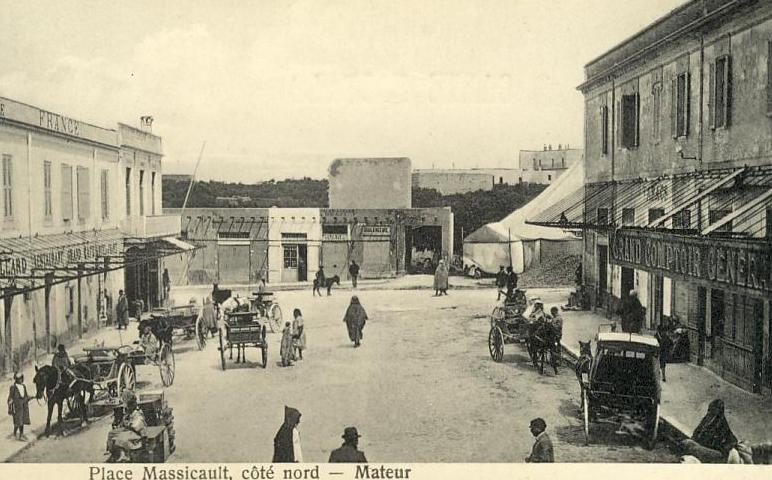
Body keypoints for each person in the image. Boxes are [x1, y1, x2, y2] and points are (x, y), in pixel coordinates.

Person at [107, 392, 147, 462]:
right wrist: (122, 425)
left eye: (128, 406)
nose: (127, 408)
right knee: (111, 434)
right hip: (130, 431)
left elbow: (136, 426)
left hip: (138, 434)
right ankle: (113, 453)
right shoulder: (129, 414)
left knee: (122, 437)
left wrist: (127, 425)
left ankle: (125, 455)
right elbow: (124, 423)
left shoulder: (138, 414)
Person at [7, 372, 32, 441]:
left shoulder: (23, 386)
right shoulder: (13, 387)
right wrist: (10, 403)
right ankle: (20, 435)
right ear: (15, 379)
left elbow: (26, 396)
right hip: (17, 407)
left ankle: (16, 434)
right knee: (18, 421)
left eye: (21, 378)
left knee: (21, 421)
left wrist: (31, 397)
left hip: (24, 406)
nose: (20, 380)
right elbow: (10, 397)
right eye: (18, 379)